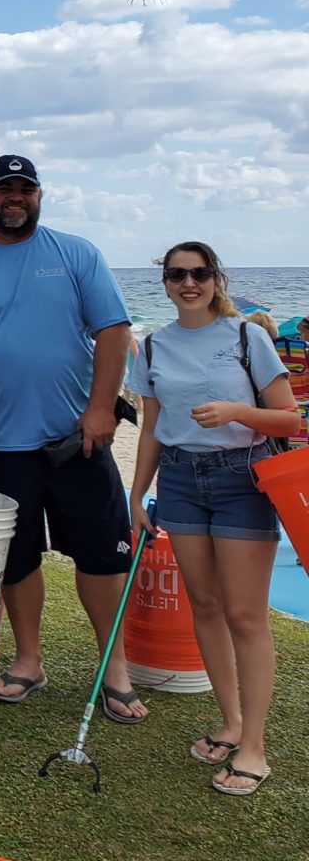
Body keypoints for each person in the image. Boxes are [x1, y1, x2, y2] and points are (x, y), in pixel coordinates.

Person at [0, 155, 144, 719]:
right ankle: (28, 661)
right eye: (4, 189)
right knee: (16, 562)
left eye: (25, 188)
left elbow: (114, 332)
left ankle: (113, 668)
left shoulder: (76, 254)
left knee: (101, 557)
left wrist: (100, 410)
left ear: (39, 195)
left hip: (79, 440)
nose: (14, 197)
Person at [127, 242, 298, 796]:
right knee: (203, 604)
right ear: (166, 284)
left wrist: (236, 413)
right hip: (179, 479)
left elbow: (289, 417)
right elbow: (152, 424)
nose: (188, 283)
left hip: (241, 477)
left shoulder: (248, 337)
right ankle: (230, 724)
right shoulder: (153, 346)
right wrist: (137, 494)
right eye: (177, 274)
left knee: (245, 615)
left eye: (199, 273)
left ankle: (254, 747)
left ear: (216, 278)